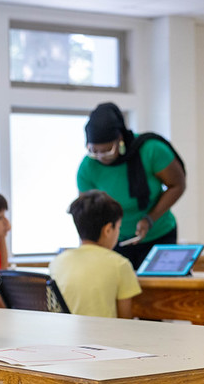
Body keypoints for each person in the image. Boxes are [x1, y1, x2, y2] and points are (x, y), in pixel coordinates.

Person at [79, 102, 187, 270]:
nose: (101, 157)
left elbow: (177, 185)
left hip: (158, 235)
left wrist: (149, 219)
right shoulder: (88, 167)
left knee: (161, 293)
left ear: (120, 138)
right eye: (94, 151)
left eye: (107, 150)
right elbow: (87, 211)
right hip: (115, 242)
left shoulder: (151, 150)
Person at [49, 190, 142, 319]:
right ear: (108, 230)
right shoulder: (120, 264)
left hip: (64, 337)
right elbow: (125, 320)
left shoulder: (58, 262)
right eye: (118, 227)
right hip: (103, 338)